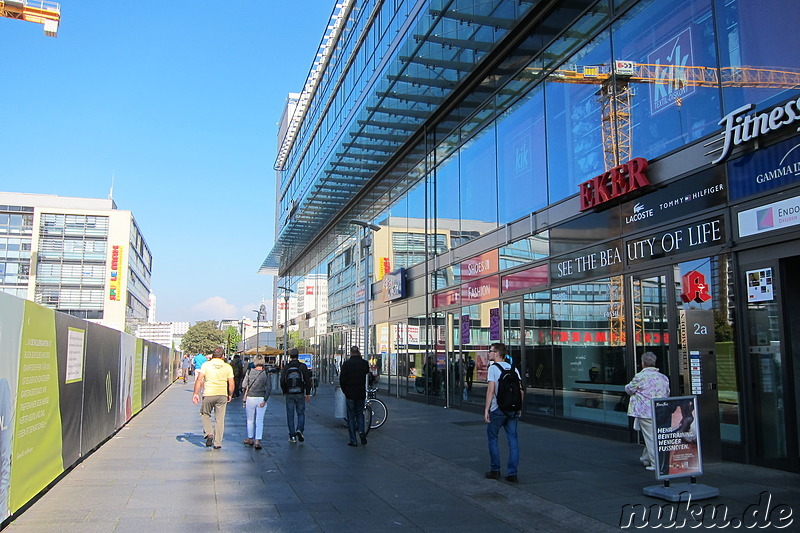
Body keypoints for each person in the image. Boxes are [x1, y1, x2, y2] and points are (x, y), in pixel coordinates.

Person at [484, 342, 523, 483]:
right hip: (513, 409)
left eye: (490, 351)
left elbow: (491, 390)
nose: (489, 353)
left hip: (498, 409)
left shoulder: (493, 368)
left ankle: (495, 470)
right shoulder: (513, 368)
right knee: (513, 440)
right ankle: (512, 473)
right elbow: (521, 390)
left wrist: (486, 410)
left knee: (492, 438)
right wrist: (519, 407)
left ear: (497, 353)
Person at [625, 351, 670, 471]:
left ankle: (656, 464)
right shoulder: (663, 378)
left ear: (643, 363)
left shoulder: (640, 377)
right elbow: (667, 392)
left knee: (650, 437)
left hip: (645, 411)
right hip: (660, 410)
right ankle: (646, 458)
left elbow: (629, 389)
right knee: (651, 435)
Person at [192, 346, 234, 449]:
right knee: (220, 419)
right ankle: (217, 443)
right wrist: (230, 394)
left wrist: (196, 393)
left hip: (208, 394)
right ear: (223, 356)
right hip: (222, 394)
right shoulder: (227, 367)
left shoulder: (206, 365)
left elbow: (199, 379)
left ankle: (209, 433)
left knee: (205, 414)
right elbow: (231, 383)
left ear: (212, 355)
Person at [339, 345, 372, 447]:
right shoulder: (364, 363)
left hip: (350, 393)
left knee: (351, 416)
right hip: (360, 393)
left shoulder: (346, 364)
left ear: (351, 353)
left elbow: (342, 380)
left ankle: (353, 440)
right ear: (358, 352)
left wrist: (345, 391)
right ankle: (361, 432)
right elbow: (367, 371)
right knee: (360, 414)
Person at [280, 348, 312, 443]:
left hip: (289, 393)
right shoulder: (302, 366)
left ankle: (292, 436)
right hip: (300, 392)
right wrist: (307, 393)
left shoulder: (286, 367)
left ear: (290, 356)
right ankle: (300, 430)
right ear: (298, 356)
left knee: (290, 415)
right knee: (301, 413)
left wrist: (284, 390)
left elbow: (282, 380)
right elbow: (308, 380)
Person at [242, 355, 271, 450]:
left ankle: (250, 438)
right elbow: (269, 388)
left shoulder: (249, 372)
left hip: (250, 398)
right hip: (261, 398)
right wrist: (265, 400)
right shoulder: (266, 373)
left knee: (250, 420)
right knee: (260, 420)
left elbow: (244, 385)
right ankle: (258, 441)